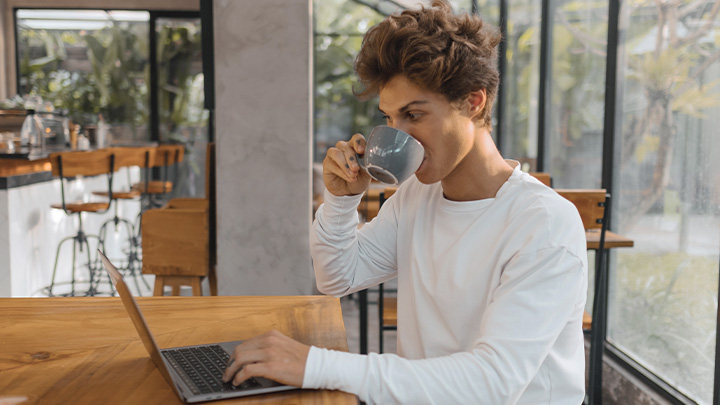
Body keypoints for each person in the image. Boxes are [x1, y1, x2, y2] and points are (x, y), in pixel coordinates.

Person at [223, 1, 588, 403]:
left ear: (473, 102)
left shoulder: (545, 223)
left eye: (413, 115)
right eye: (389, 118)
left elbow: (492, 383)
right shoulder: (418, 194)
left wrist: (316, 364)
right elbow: (338, 277)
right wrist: (342, 201)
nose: (399, 134)